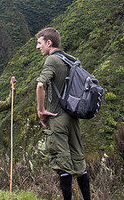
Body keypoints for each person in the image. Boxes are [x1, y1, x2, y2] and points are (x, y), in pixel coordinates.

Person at [35, 27, 91, 200]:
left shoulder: (51, 60)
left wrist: (41, 110)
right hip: (72, 117)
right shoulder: (69, 60)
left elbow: (40, 85)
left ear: (49, 43)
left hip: (57, 118)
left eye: (39, 43)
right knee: (79, 163)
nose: (38, 47)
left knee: (63, 164)